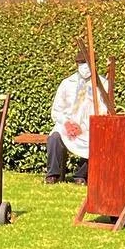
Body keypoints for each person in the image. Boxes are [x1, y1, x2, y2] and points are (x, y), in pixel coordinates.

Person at [47, 41, 107, 184]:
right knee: (54, 137)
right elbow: (57, 110)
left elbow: (104, 111)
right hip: (67, 126)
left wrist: (85, 126)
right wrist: (67, 124)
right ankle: (53, 174)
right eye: (81, 63)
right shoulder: (67, 83)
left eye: (87, 63)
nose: (85, 67)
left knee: (98, 141)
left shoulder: (103, 84)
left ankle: (81, 175)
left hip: (89, 126)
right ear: (77, 65)